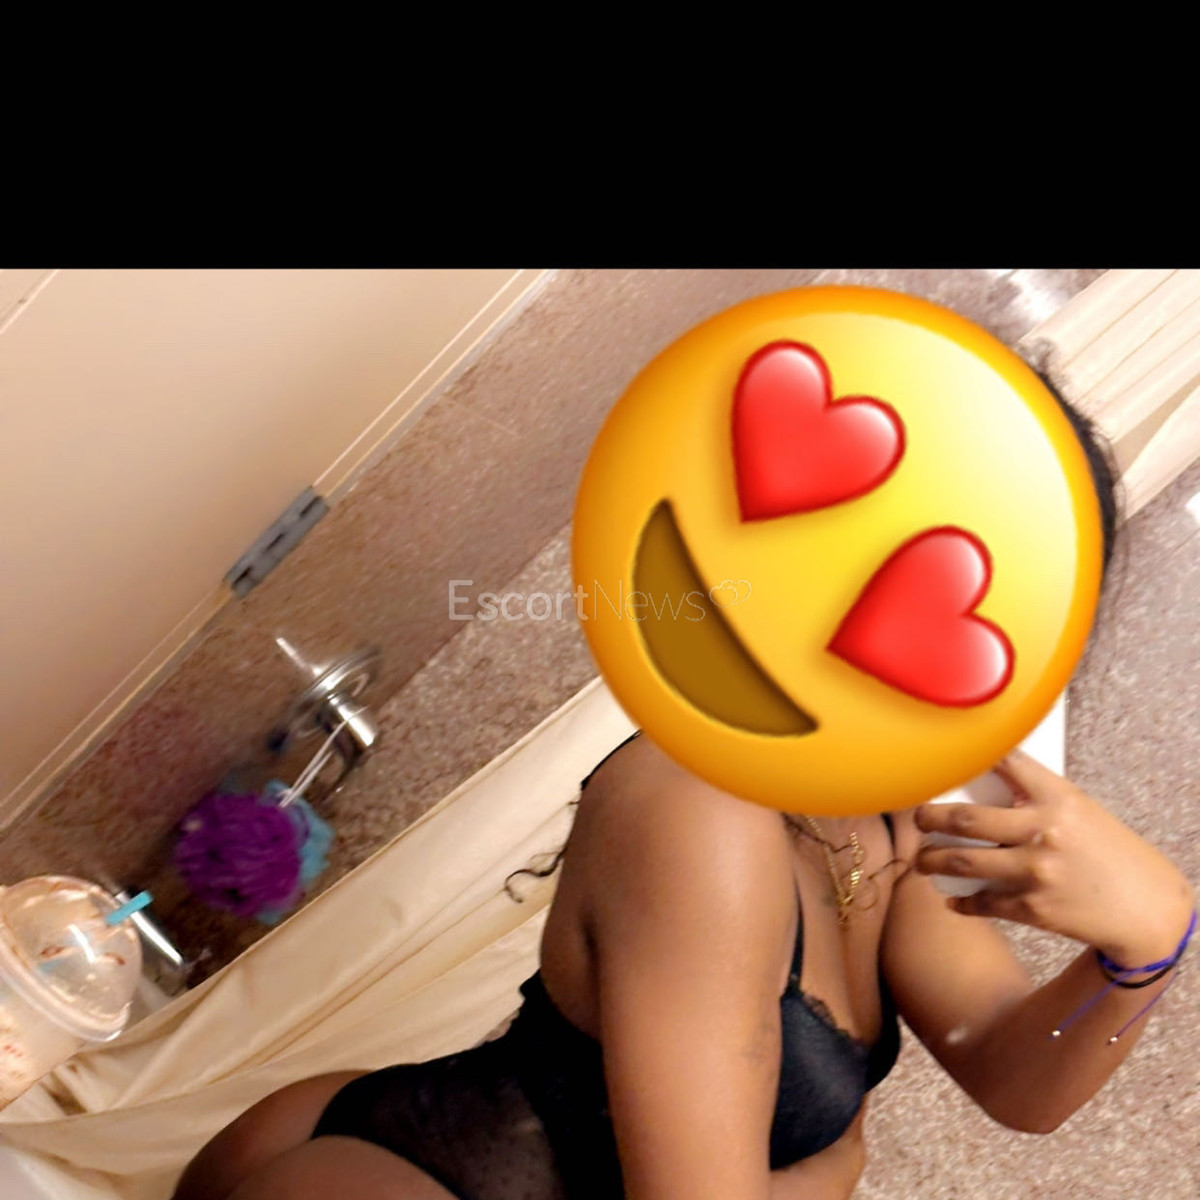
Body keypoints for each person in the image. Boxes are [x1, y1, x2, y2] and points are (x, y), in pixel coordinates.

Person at [172, 395, 1194, 1200]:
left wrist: (1146, 945)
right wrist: (828, 1179)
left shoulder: (890, 816)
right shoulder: (704, 814)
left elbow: (1012, 1073)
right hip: (425, 1176)